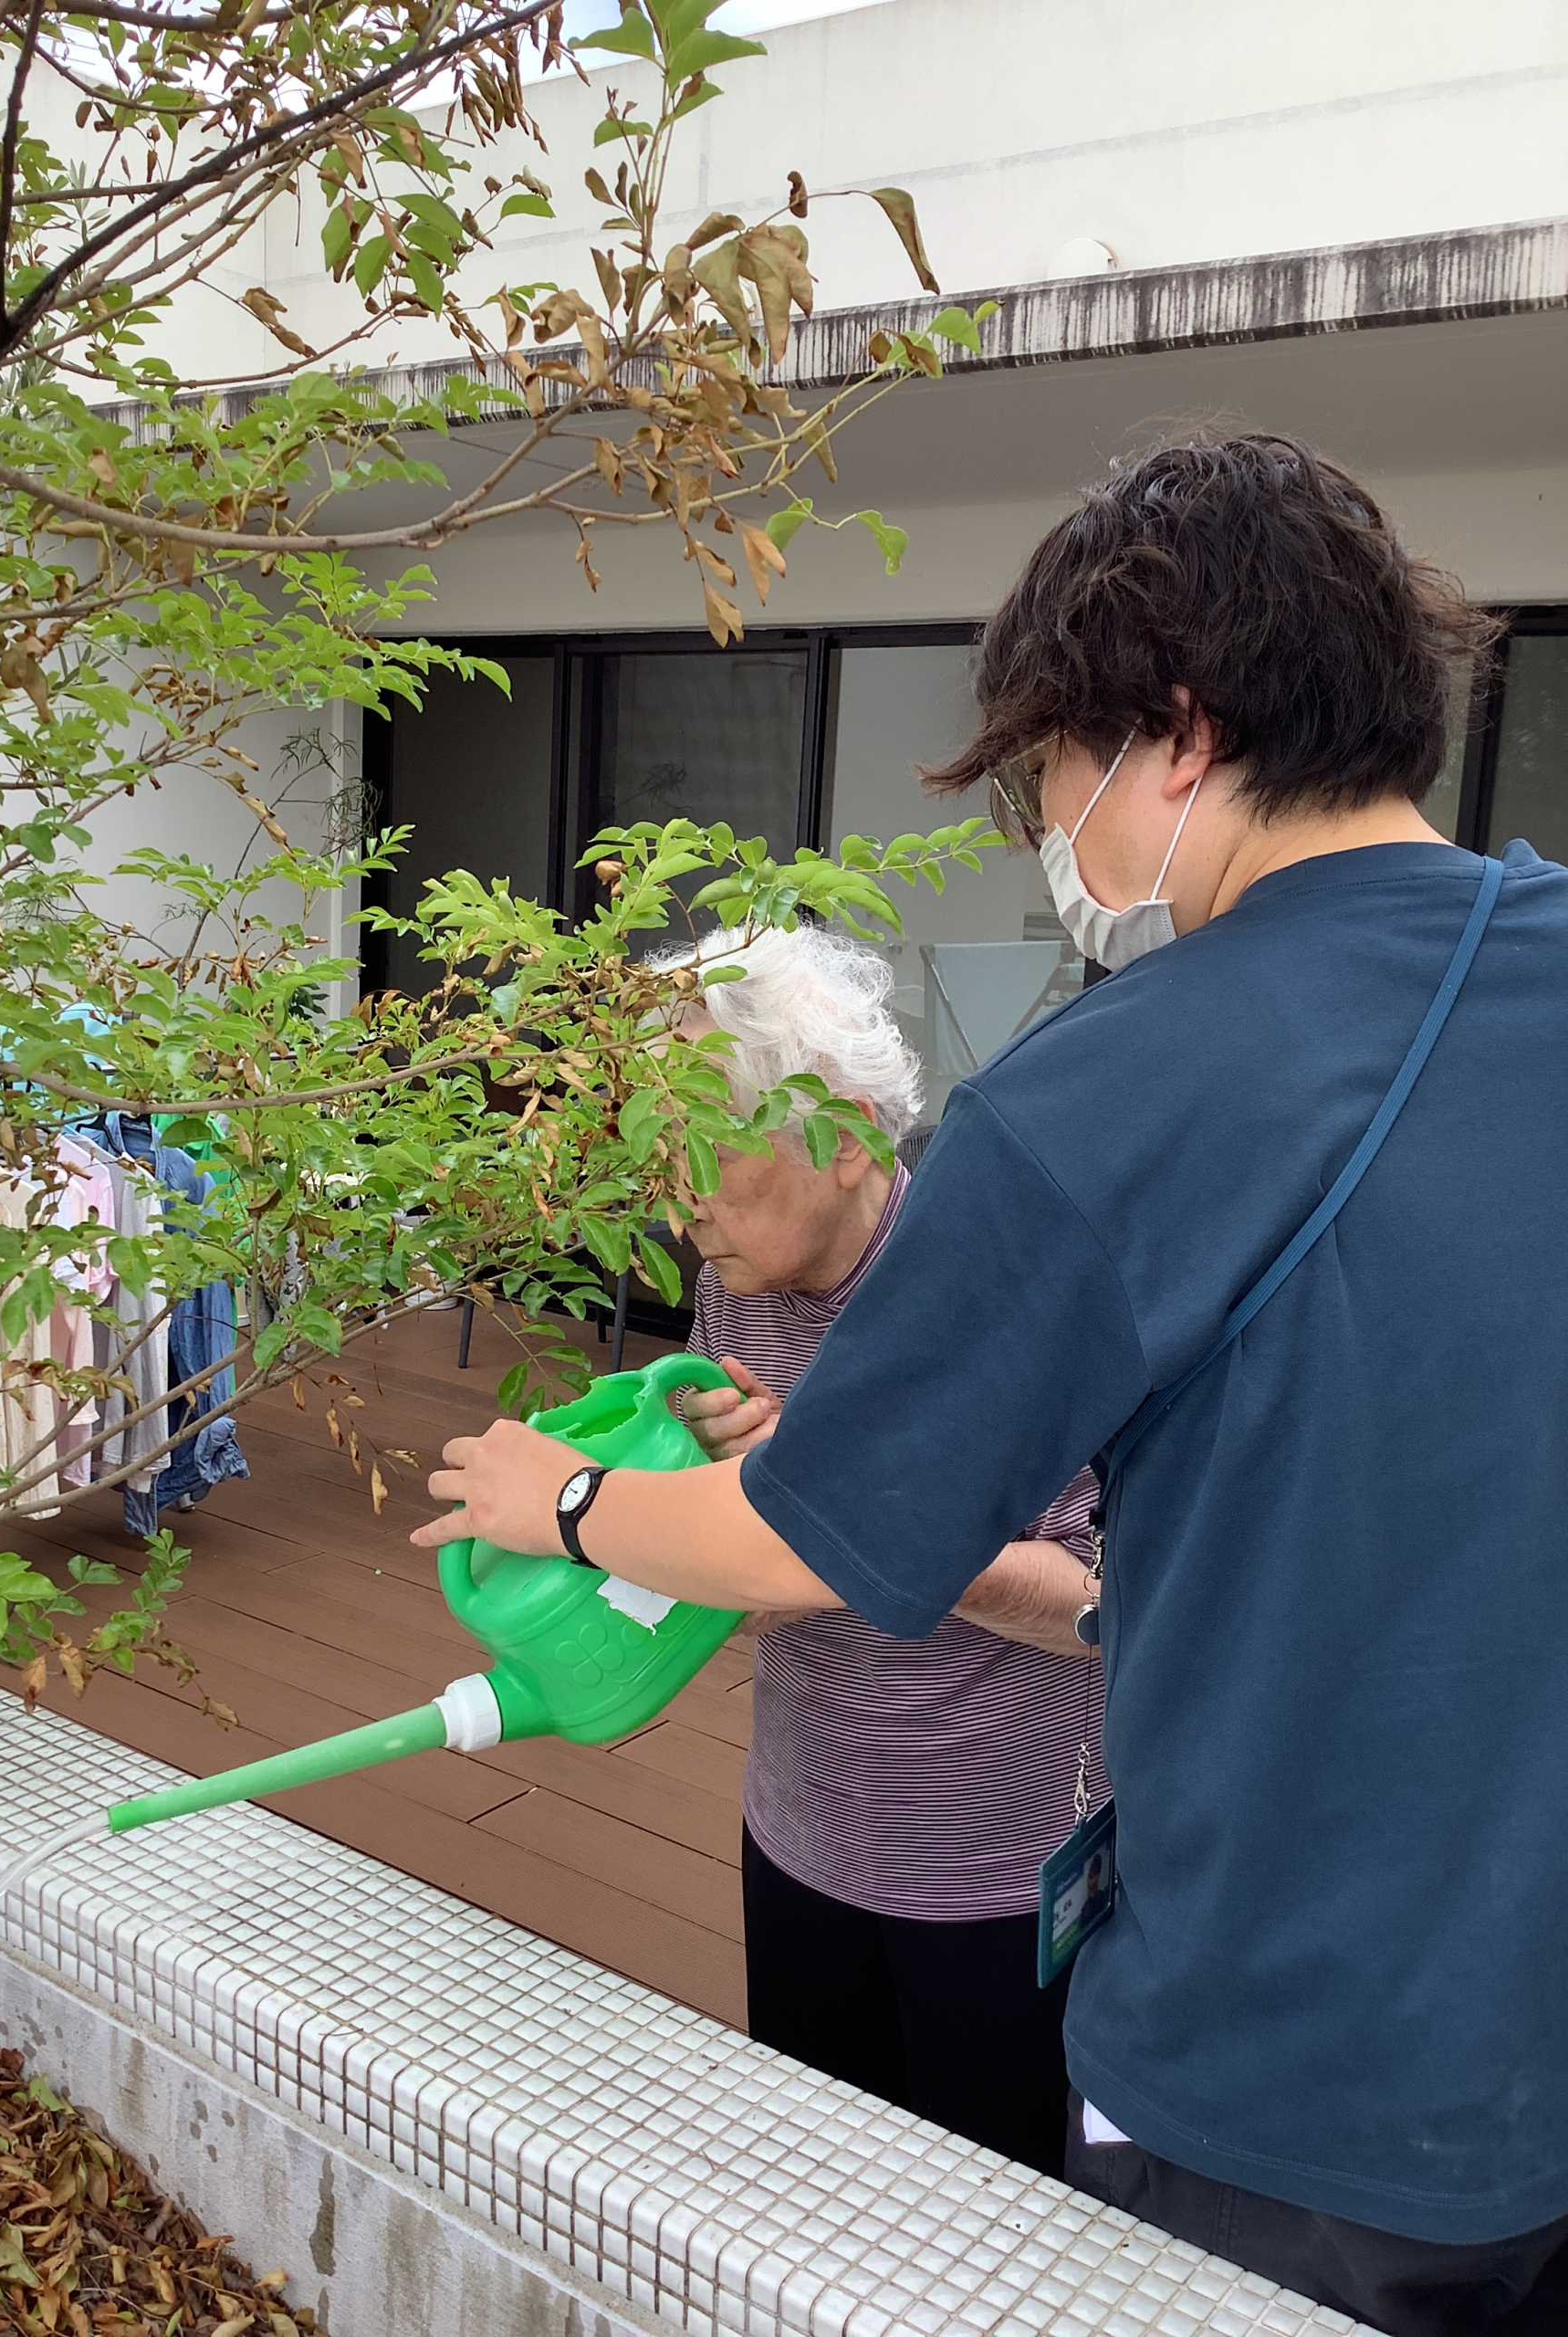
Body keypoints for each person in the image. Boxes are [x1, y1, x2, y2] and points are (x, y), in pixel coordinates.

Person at [414, 434, 1568, 2337]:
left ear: (1173, 736)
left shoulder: (1099, 1097)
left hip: (1282, 2074)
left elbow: (805, 1537)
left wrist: (572, 1498)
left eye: (1047, 769)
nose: (1053, 829)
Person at [655, 920, 1099, 2178]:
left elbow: (1094, 1606)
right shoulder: (737, 1279)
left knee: (995, 2219)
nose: (678, 1201)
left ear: (846, 1137)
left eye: (708, 1151)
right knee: (820, 2199)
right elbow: (753, 1566)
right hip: (801, 1821)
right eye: (658, 1153)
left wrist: (854, 1509)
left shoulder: (997, 1295)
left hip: (994, 1864)